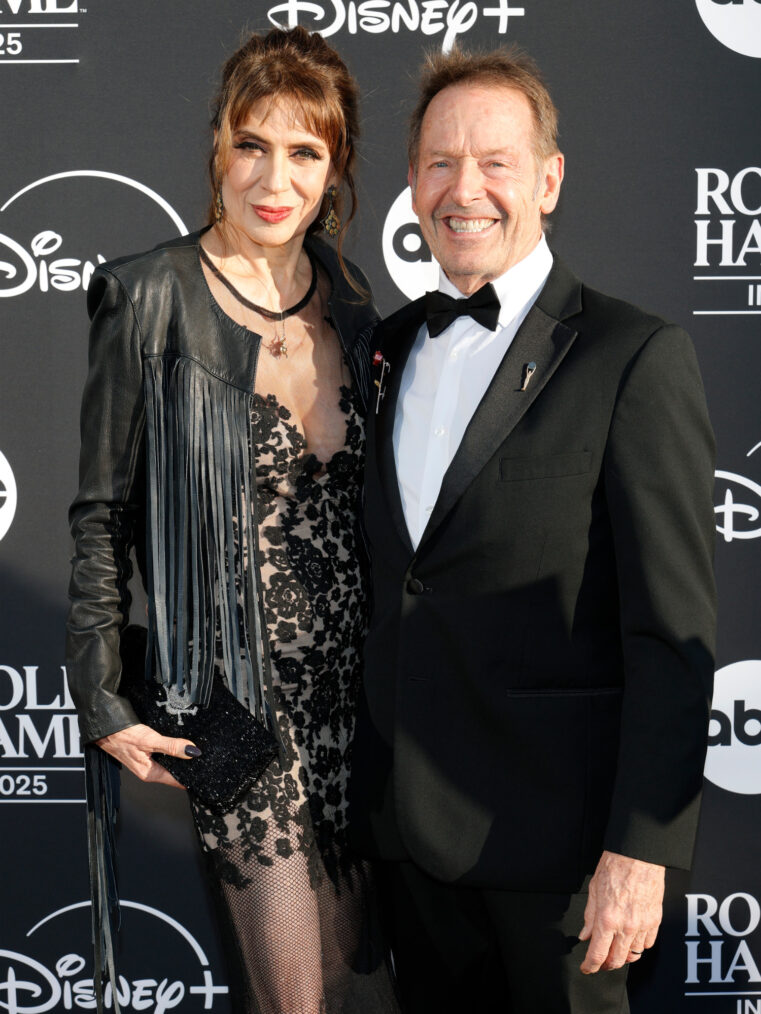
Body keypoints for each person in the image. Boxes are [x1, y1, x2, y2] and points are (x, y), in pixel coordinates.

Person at [349, 45, 717, 1014]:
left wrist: (640, 849)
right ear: (411, 184)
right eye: (437, 163)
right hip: (408, 856)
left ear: (547, 181)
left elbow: (667, 634)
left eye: (494, 162)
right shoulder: (383, 349)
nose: (461, 189)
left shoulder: (629, 357)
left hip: (563, 867)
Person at [66, 26, 397, 1014]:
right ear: (218, 146)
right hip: (236, 717)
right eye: (251, 143)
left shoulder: (349, 297)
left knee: (359, 993)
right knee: (292, 997)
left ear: (335, 168)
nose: (273, 175)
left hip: (362, 717)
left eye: (303, 151)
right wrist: (101, 695)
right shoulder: (148, 294)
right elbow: (100, 512)